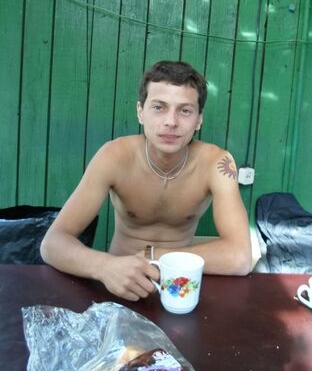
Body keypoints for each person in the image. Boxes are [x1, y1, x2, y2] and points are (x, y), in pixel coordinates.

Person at [41, 60, 253, 301]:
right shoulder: (114, 156)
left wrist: (152, 256)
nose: (171, 121)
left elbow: (240, 257)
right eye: (159, 107)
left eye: (185, 110)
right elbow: (52, 243)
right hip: (118, 283)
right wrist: (104, 266)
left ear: (199, 119)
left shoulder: (217, 163)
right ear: (140, 112)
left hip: (179, 285)